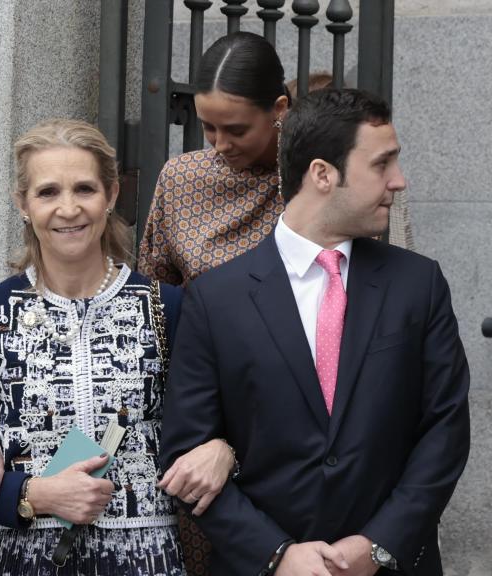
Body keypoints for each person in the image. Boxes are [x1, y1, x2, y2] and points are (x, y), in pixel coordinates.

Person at [160, 88, 470, 576]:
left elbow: (445, 431)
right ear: (323, 174)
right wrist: (275, 554)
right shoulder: (216, 299)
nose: (399, 181)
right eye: (382, 164)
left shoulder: (419, 284)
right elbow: (184, 454)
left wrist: (379, 544)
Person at [0, 119, 236, 575]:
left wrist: (225, 449)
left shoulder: (164, 306)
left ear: (111, 196)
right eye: (48, 192)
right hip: (20, 561)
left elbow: (223, 420)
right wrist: (34, 495)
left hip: (143, 559)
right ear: (24, 205)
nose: (68, 208)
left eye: (84, 189)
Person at [138, 32, 289, 286]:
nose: (220, 145)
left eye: (237, 130)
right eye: (208, 127)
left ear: (279, 109)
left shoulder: (315, 176)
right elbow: (156, 289)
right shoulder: (182, 177)